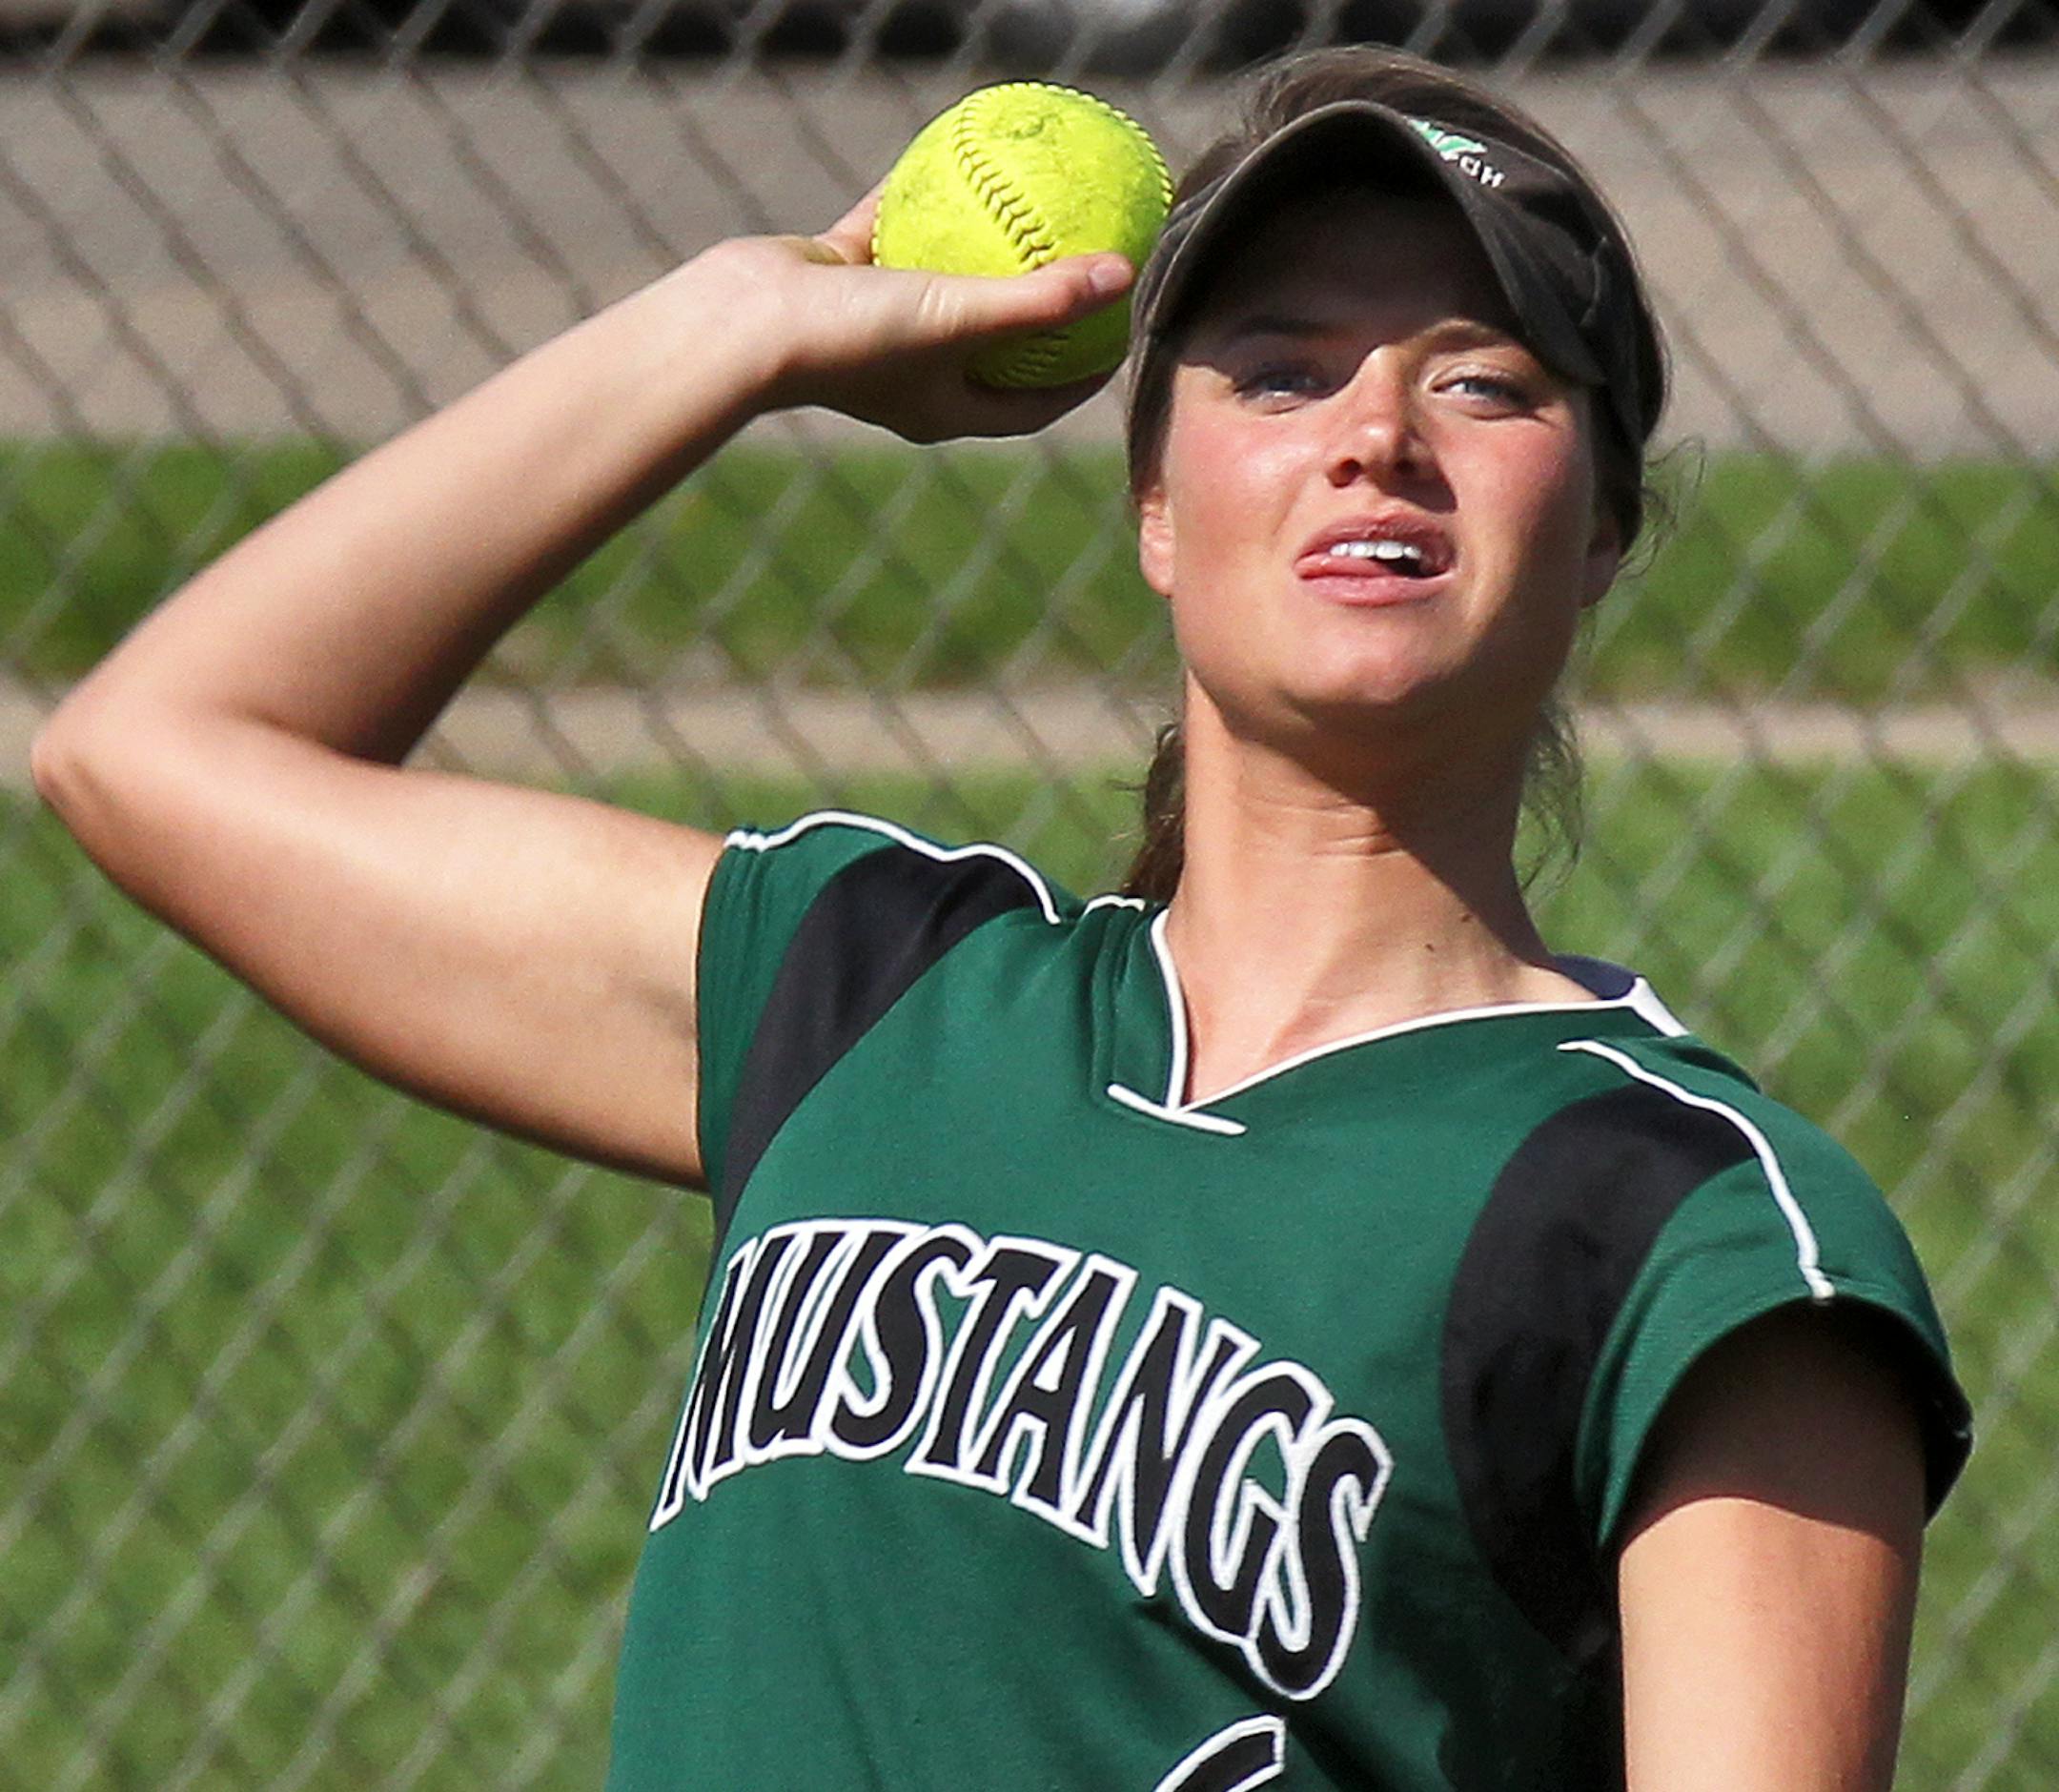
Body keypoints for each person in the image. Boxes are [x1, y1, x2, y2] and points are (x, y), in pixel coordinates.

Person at [34, 45, 1969, 1792]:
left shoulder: (1678, 1227)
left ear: (1607, 523)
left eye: (1479, 376)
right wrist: (732, 329)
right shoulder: (875, 993)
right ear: (1151, 505)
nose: (1374, 431)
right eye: (1280, 369)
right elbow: (156, 750)